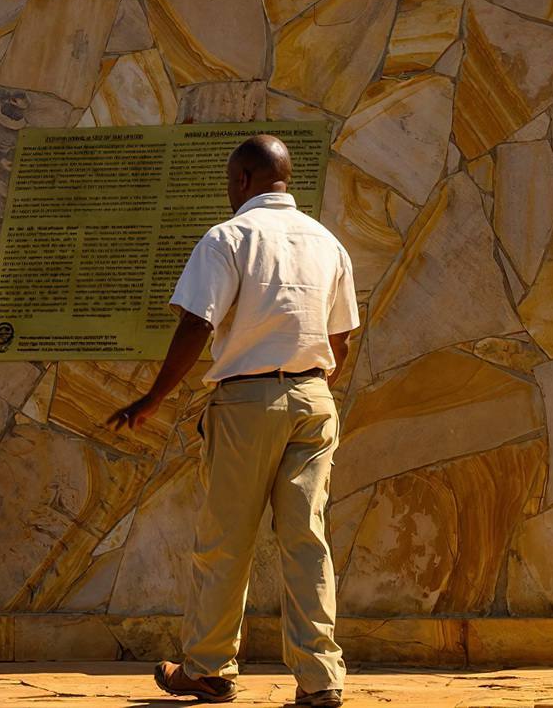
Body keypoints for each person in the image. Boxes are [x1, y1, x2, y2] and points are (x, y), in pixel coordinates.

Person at [109, 134, 357, 708]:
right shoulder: (327, 242)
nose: (229, 192)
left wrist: (151, 399)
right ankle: (321, 678)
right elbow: (340, 336)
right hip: (314, 399)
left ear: (243, 179)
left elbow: (197, 325)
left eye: (229, 182)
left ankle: (209, 668)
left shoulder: (229, 238)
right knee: (306, 541)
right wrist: (310, 383)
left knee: (226, 540)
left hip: (247, 404)